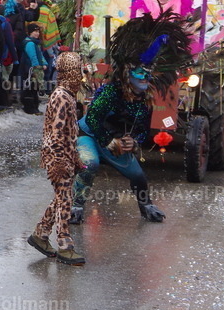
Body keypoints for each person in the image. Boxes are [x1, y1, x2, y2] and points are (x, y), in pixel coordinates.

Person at [70, 12, 192, 225]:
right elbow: (93, 120)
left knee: (138, 175)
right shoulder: (110, 93)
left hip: (116, 143)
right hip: (89, 135)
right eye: (140, 73)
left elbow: (143, 129)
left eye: (148, 73)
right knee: (90, 164)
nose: (145, 77)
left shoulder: (143, 100)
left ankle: (146, 205)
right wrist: (110, 141)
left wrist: (132, 142)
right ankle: (76, 205)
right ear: (127, 73)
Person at [28, 52, 85, 266]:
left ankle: (40, 234)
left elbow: (69, 133)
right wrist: (60, 160)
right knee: (65, 198)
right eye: (78, 71)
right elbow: (58, 132)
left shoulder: (67, 94)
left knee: (61, 197)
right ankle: (64, 244)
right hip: (58, 157)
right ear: (70, 72)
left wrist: (75, 157)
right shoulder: (62, 96)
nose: (81, 76)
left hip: (65, 155)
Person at [20, 22, 48, 115]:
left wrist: (44, 63)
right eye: (35, 32)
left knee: (34, 88)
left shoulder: (34, 43)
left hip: (34, 68)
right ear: (30, 32)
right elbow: (33, 57)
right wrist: (37, 68)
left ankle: (34, 107)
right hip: (30, 70)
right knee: (30, 89)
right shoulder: (30, 43)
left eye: (38, 31)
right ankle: (30, 108)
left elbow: (40, 54)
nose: (37, 33)